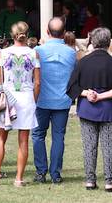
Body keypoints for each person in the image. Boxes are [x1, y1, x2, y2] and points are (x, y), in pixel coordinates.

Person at [67, 27, 112, 192]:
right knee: (108, 146)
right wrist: (101, 96)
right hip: (108, 109)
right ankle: (109, 182)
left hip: (88, 107)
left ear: (92, 42)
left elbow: (72, 86)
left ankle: (90, 180)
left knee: (89, 146)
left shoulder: (83, 62)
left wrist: (88, 93)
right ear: (108, 43)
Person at [0, 21, 40, 187]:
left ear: (12, 34)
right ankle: (19, 178)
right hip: (26, 97)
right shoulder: (33, 54)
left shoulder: (3, 53)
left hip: (8, 98)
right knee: (23, 140)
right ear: (26, 34)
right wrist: (34, 100)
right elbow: (37, 82)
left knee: (1, 138)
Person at [32, 17, 77, 184]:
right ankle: (55, 173)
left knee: (38, 135)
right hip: (62, 100)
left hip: (41, 99)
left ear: (47, 32)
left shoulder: (38, 50)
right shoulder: (71, 53)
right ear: (64, 33)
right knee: (58, 137)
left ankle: (40, 172)